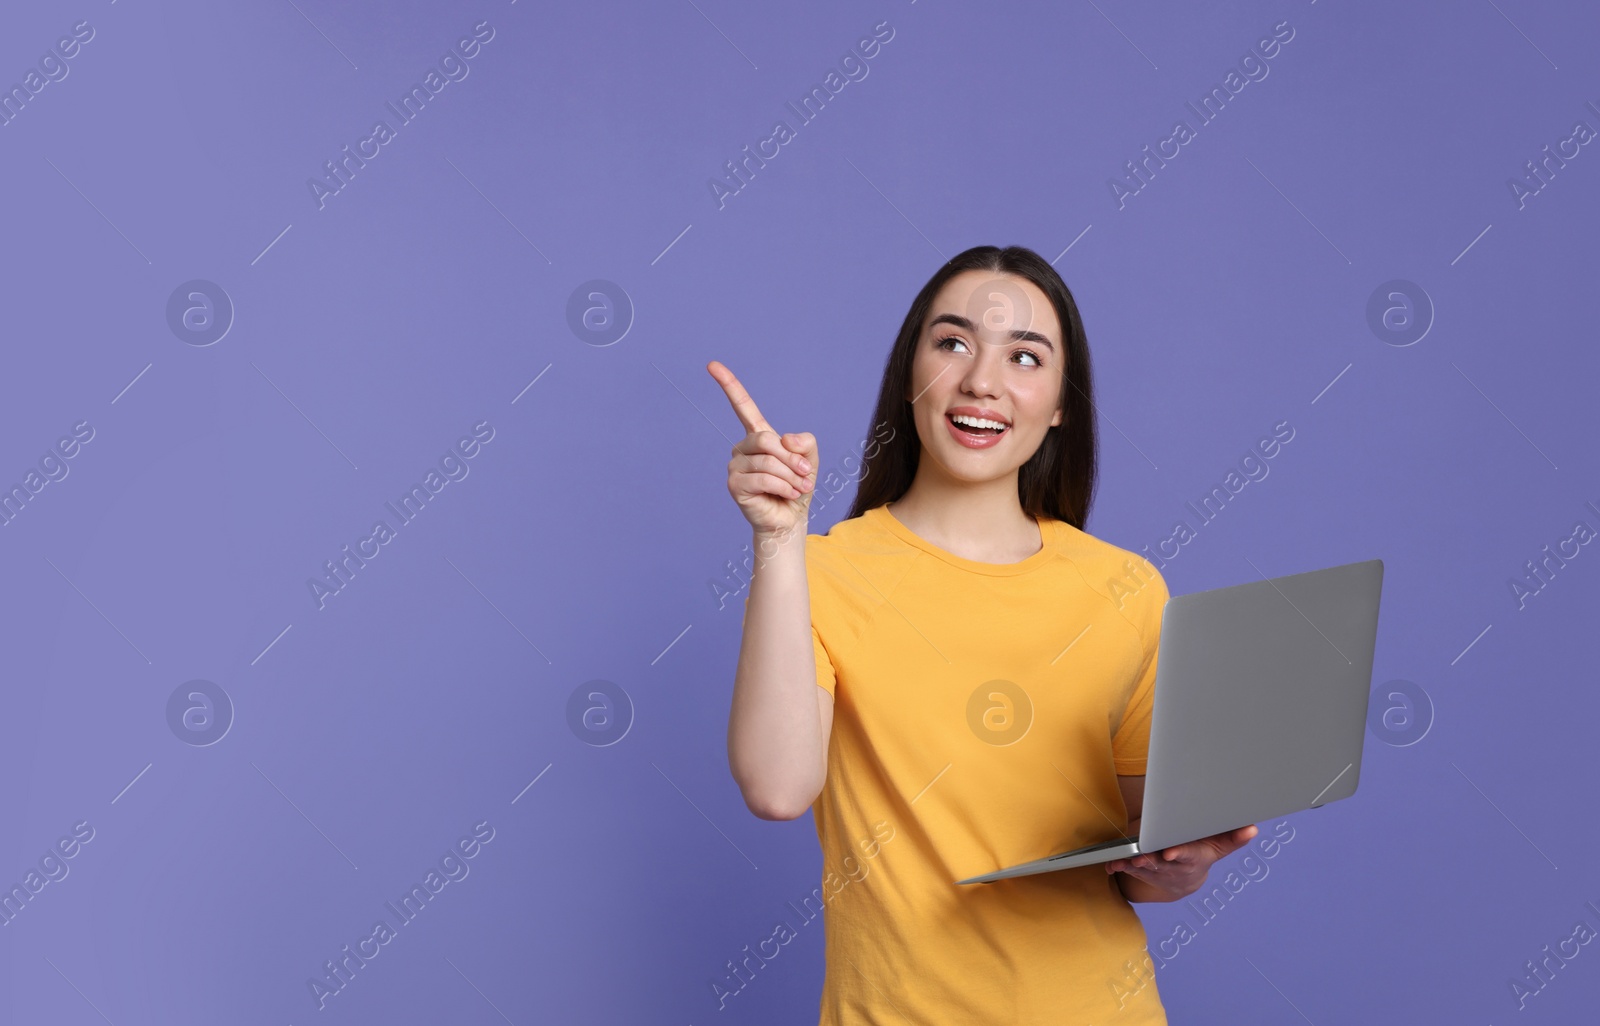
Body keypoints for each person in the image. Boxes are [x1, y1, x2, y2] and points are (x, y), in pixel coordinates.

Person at [709, 245, 1257, 1024]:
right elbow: (776, 787)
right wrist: (776, 542)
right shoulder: (822, 572)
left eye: (1025, 356)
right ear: (911, 375)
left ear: (1062, 401)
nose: (982, 382)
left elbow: (1144, 854)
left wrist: (1182, 869)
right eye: (953, 342)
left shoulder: (1126, 588)